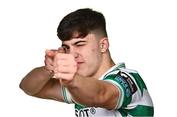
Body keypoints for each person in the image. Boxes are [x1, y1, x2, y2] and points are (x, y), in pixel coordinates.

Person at [19, 8, 154, 117]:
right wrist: (49, 69)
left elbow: (101, 95)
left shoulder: (129, 80)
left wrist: (71, 80)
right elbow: (28, 88)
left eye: (80, 44)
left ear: (103, 45)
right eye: (67, 48)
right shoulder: (79, 86)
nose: (72, 54)